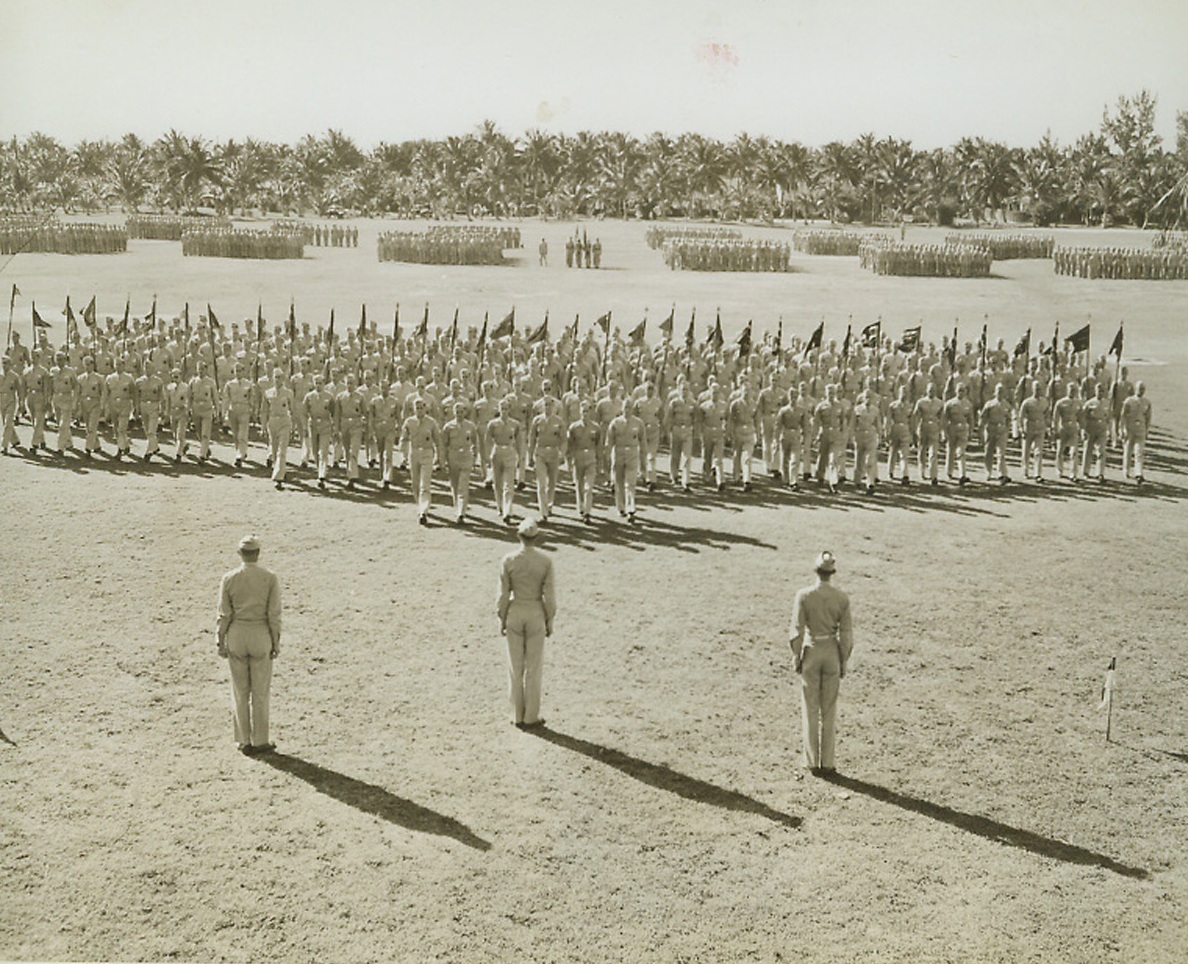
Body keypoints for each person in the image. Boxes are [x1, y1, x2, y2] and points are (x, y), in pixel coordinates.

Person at [789, 550, 853, 776]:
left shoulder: (804, 595)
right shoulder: (841, 598)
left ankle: (811, 760)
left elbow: (796, 631)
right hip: (831, 652)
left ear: (815, 571)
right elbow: (846, 634)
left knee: (810, 707)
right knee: (829, 708)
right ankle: (828, 761)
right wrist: (843, 659)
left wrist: (797, 656)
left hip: (812, 650)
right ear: (832, 573)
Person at [216, 534, 282, 755]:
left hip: (237, 635)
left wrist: (220, 640)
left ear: (240, 554)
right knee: (260, 691)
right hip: (260, 634)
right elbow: (274, 614)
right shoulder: (269, 578)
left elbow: (224, 613)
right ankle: (260, 740)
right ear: (258, 554)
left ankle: (244, 740)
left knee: (240, 691)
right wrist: (275, 641)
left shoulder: (229, 578)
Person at [497, 517, 556, 728]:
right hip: (535, 612)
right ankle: (531, 715)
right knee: (534, 666)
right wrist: (549, 620)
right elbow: (549, 596)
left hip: (515, 610)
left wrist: (502, 617)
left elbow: (503, 595)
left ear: (518, 536)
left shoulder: (508, 560)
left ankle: (516, 713)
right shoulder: (545, 561)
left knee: (515, 665)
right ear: (537, 537)